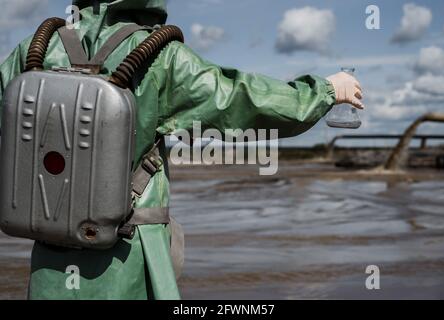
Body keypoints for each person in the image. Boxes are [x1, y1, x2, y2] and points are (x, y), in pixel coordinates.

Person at [0, 0, 363, 300]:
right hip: (128, 255)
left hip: (50, 260)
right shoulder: (161, 55)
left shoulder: (37, 47)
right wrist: (326, 90)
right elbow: (243, 101)